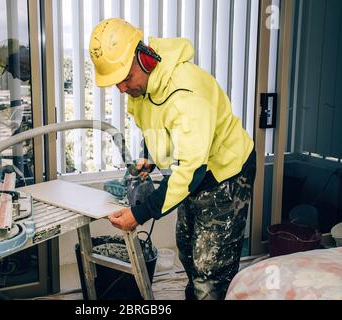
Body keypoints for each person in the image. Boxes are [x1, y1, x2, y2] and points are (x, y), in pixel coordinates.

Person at [89, 18, 256, 300]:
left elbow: (191, 170)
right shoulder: (142, 86)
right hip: (196, 169)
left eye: (125, 79)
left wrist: (140, 214)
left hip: (226, 173)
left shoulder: (186, 93)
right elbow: (157, 126)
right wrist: (148, 158)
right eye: (116, 82)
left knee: (210, 267)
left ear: (145, 59)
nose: (121, 88)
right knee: (188, 250)